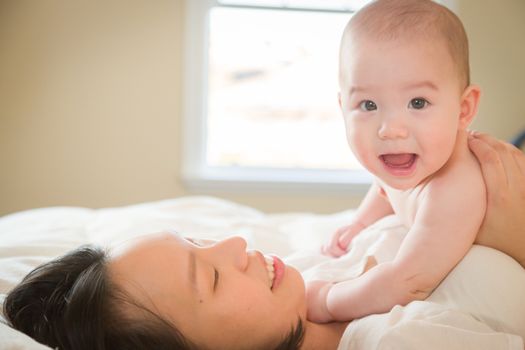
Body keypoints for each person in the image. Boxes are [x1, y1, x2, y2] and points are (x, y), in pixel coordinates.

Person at [2, 133, 525, 350]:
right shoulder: (404, 341)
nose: (234, 246)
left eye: (198, 241)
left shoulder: (297, 282)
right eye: (208, 276)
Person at [306, 0, 486, 323]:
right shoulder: (418, 161)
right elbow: (385, 189)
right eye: (368, 104)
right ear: (342, 107)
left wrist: (328, 300)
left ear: (463, 109)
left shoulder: (455, 189)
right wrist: (360, 223)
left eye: (418, 102)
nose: (391, 130)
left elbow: (407, 282)